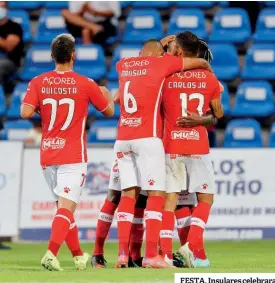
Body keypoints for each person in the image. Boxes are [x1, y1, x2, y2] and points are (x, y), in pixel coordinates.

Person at [113, 39, 211, 268]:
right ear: (159, 54)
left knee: (128, 196)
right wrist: (206, 68)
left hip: (122, 139)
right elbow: (196, 62)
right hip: (148, 139)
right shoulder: (162, 64)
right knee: (157, 195)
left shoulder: (122, 64)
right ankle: (151, 256)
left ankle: (122, 254)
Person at [20, 33, 115, 271]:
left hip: (48, 154)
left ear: (52, 56)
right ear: (74, 56)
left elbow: (25, 113)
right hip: (73, 155)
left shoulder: (38, 81)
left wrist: (42, 106)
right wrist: (106, 94)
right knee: (65, 208)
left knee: (63, 208)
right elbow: (109, 112)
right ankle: (51, 254)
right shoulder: (86, 83)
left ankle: (78, 255)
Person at [160, 31, 223, 268]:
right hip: (198, 145)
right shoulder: (210, 79)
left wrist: (161, 46)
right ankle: (191, 247)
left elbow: (151, 63)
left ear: (178, 52)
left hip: (172, 145)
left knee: (171, 200)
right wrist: (201, 119)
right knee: (205, 199)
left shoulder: (165, 76)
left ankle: (166, 254)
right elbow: (218, 113)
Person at [0, 1, 24, 88]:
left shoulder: (14, 27)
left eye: (1, 7)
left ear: (6, 9)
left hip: (10, 62)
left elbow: (9, 46)